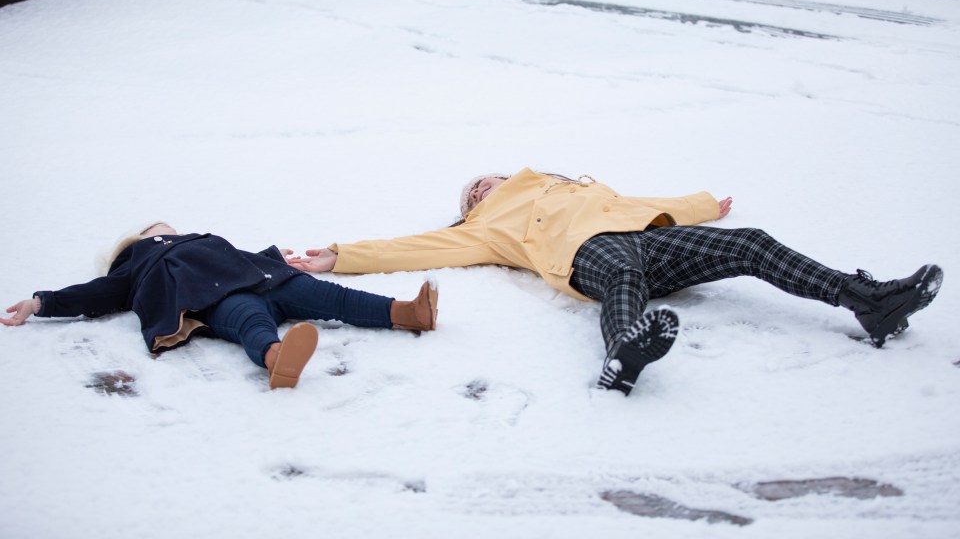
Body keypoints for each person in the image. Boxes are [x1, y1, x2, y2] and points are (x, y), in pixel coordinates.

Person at [285, 168, 943, 395]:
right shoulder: (486, 226)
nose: (482, 186)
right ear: (473, 207)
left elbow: (636, 203)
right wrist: (337, 256)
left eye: (484, 179)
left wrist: (704, 206)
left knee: (749, 245)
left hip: (646, 237)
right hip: (586, 257)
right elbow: (414, 247)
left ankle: (871, 302)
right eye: (473, 191)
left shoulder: (568, 183)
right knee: (621, 270)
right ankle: (623, 352)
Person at [2, 222, 438, 389]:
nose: (169, 228)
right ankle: (277, 358)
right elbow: (94, 293)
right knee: (249, 322)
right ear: (141, 240)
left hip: (266, 278)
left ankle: (406, 312)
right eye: (159, 228)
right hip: (215, 298)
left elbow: (239, 255)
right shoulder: (138, 262)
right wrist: (41, 302)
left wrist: (275, 258)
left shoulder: (200, 239)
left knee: (330, 297)